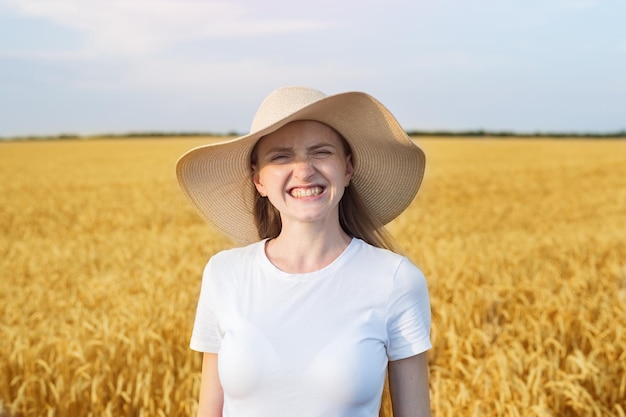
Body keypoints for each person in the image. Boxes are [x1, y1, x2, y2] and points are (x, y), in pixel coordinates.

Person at [176, 86, 432, 417]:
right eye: (281, 156)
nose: (304, 170)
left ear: (348, 167)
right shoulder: (224, 274)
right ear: (259, 180)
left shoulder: (396, 281)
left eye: (321, 152)